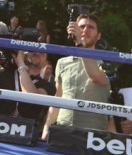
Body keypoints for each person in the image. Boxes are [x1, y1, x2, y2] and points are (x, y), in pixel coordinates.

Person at [41, 13, 110, 141]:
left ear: (99, 35)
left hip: (92, 136)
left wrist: (80, 44)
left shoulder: (107, 61)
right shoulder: (62, 62)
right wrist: (46, 128)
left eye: (91, 27)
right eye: (82, 26)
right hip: (63, 130)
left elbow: (97, 78)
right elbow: (58, 97)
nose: (85, 30)